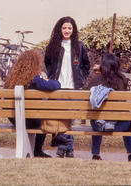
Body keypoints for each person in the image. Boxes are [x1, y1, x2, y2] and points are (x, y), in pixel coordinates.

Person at [44, 16, 91, 157]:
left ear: (73, 30)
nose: (67, 30)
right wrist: (52, 77)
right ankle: (67, 147)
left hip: (73, 87)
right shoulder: (53, 45)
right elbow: (48, 63)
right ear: (60, 29)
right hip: (57, 86)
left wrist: (80, 79)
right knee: (59, 117)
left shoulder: (79, 46)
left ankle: (65, 148)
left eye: (69, 28)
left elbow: (86, 65)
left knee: (70, 118)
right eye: (64, 28)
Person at [4, 48, 61, 157]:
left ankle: (36, 149)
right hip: (31, 120)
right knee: (44, 116)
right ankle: (38, 150)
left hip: (15, 119)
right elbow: (56, 85)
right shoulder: (35, 79)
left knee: (40, 114)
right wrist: (49, 81)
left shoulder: (12, 79)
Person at [83, 53, 131, 162]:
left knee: (96, 116)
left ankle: (95, 154)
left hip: (99, 126)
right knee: (128, 121)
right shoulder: (122, 79)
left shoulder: (95, 79)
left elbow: (86, 98)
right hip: (119, 126)